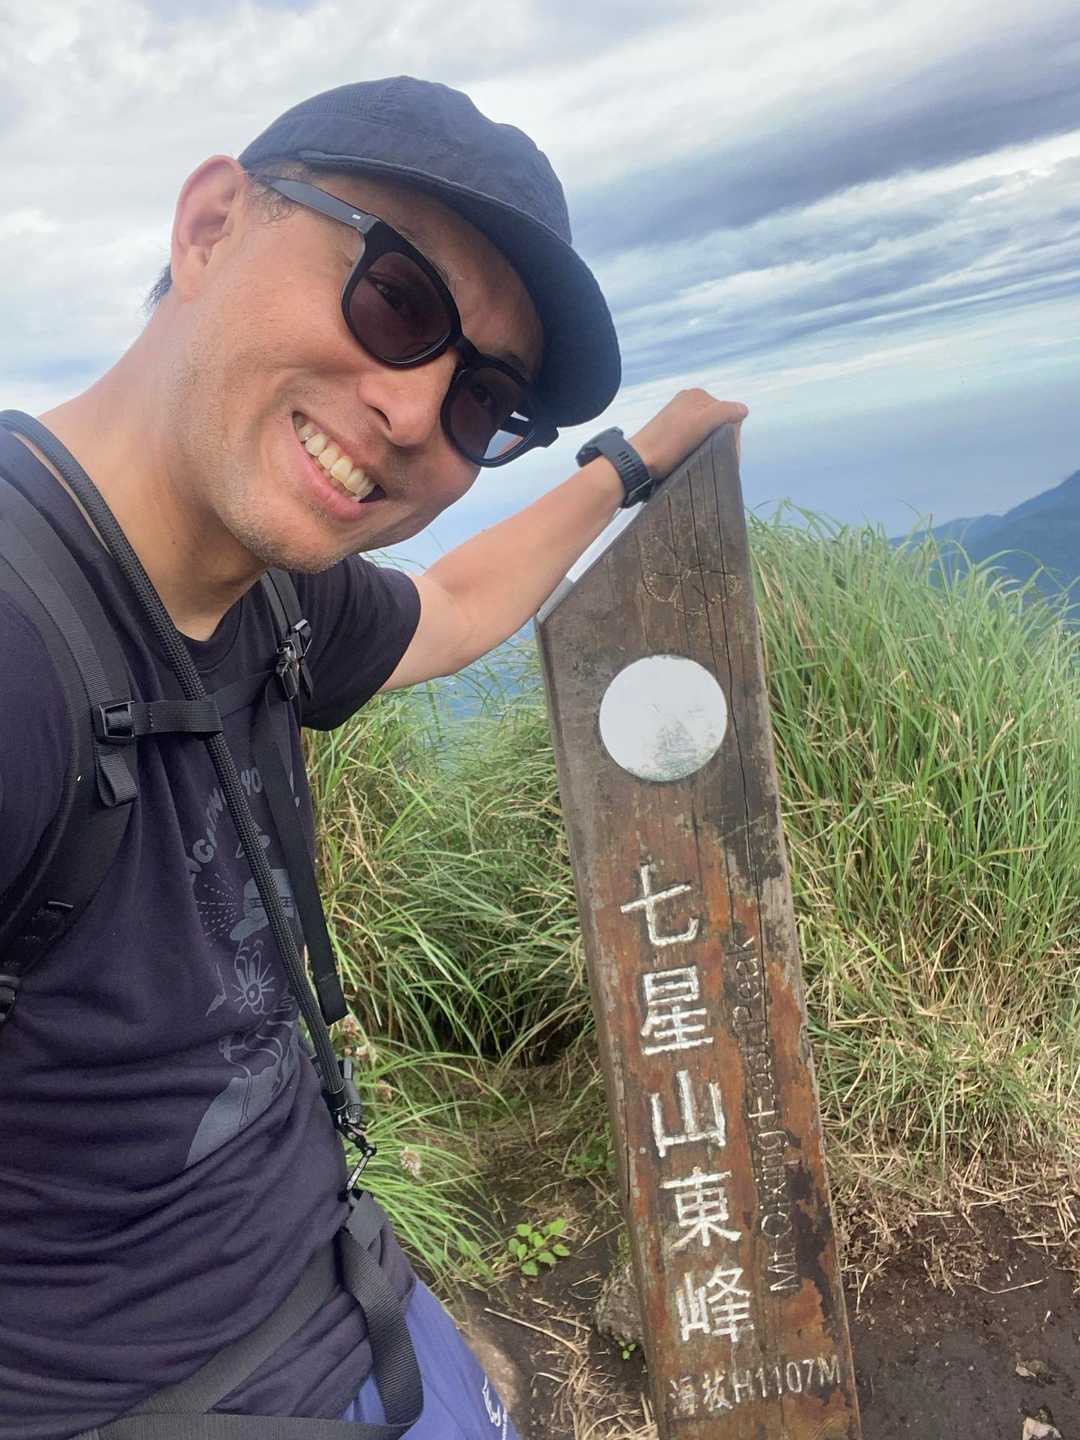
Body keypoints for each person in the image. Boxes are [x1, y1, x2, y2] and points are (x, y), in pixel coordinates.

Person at [0, 76, 747, 1439]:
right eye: (396, 300)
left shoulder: (268, 594)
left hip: (350, 1296)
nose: (414, 414)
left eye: (485, 401)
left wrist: (630, 464)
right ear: (211, 226)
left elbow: (451, 606)